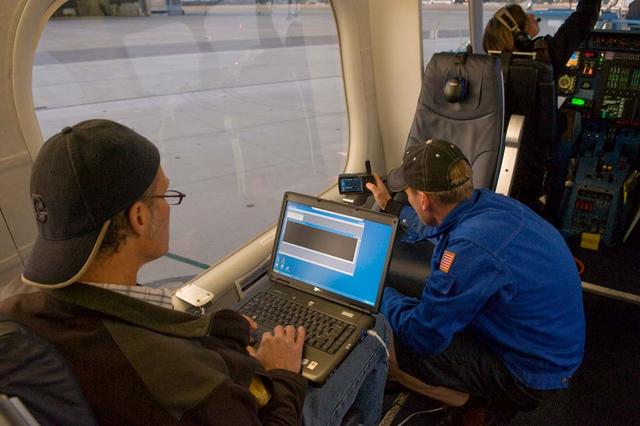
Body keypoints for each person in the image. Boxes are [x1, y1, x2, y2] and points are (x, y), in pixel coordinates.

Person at [0, 119, 390, 425]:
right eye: (166, 194)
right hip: (272, 406)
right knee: (375, 333)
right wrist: (284, 375)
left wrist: (227, 330)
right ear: (138, 217)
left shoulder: (19, 313)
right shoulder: (174, 376)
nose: (170, 207)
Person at [366, 139, 585, 421]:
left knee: (384, 340)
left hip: (530, 374)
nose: (406, 199)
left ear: (423, 199)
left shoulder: (471, 249)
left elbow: (423, 337)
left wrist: (379, 294)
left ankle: (466, 401)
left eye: (407, 194)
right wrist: (392, 208)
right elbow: (438, 223)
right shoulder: (486, 204)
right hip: (549, 343)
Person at [482, 0, 601, 80]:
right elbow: (584, 17)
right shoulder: (544, 59)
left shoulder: (488, 72)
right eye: (526, 15)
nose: (532, 16)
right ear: (521, 37)